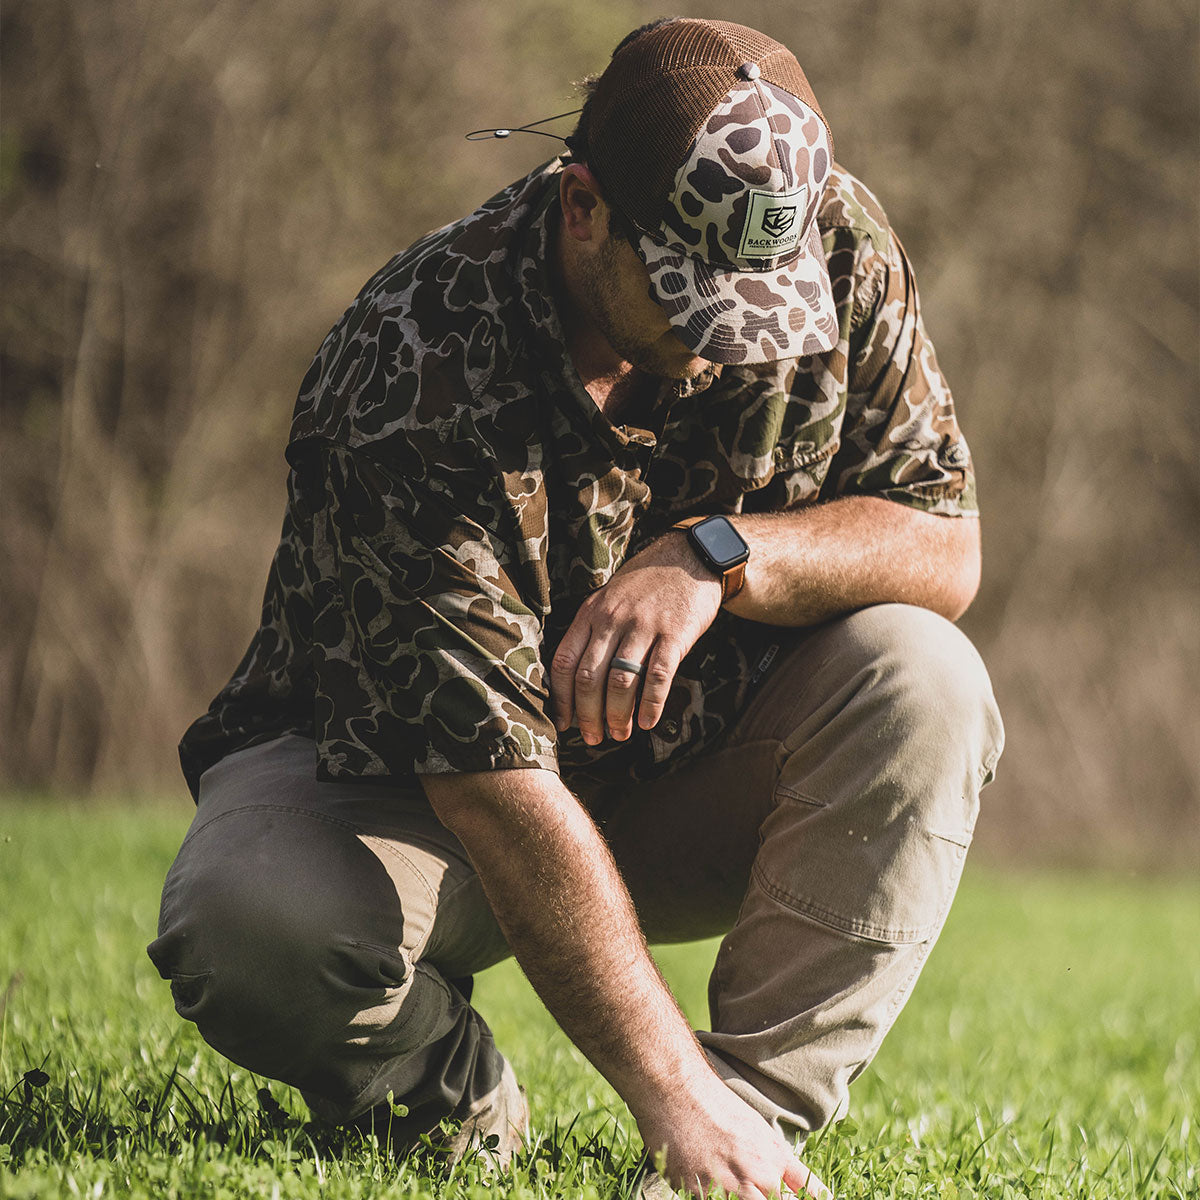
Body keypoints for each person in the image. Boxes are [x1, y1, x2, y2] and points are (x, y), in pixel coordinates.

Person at [148, 17, 1004, 1200]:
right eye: (692, 296)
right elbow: (488, 787)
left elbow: (944, 542)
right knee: (247, 919)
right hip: (417, 799)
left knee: (929, 679)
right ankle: (451, 1105)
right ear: (584, 206)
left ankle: (741, 1143)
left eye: (761, 303)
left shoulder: (820, 230)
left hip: (681, 771)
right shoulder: (414, 366)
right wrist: (659, 1090)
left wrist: (719, 553)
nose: (725, 348)